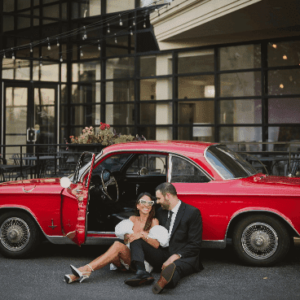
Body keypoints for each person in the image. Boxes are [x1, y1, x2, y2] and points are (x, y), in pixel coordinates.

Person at [64, 192, 169, 284]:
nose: (147, 205)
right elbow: (127, 241)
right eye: (143, 202)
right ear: (137, 205)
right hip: (128, 256)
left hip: (142, 261)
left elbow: (156, 244)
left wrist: (142, 235)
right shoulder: (132, 219)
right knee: (113, 250)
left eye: (150, 203)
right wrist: (127, 237)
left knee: (116, 246)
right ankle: (79, 274)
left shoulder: (154, 221)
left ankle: (85, 269)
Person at [124, 182, 203, 294]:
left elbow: (195, 244)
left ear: (168, 196)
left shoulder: (192, 213)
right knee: (137, 239)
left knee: (176, 267)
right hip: (163, 253)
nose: (157, 201)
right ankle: (142, 272)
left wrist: (175, 256)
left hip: (183, 256)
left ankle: (164, 281)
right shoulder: (160, 212)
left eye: (159, 198)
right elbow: (151, 229)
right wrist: (135, 234)